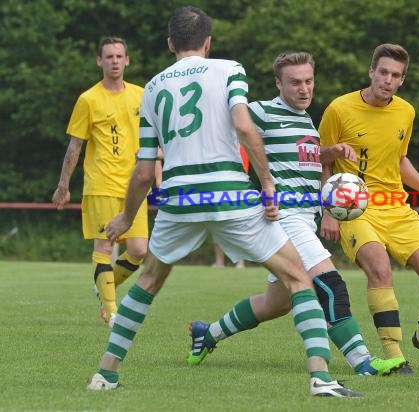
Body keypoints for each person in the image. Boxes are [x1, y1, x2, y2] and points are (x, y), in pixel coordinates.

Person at [86, 6, 359, 398]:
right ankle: (321, 378)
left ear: (169, 44)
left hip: (179, 199)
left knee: (147, 282)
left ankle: (106, 374)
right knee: (299, 278)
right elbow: (244, 127)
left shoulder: (152, 89)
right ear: (208, 42)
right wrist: (266, 182)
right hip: (229, 194)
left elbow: (145, 171)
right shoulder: (229, 69)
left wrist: (126, 217)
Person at [187, 51, 405, 377]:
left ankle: (208, 334)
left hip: (306, 219)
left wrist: (329, 152)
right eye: (295, 83)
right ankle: (363, 362)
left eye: (308, 81)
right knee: (330, 284)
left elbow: (303, 157)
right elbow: (221, 123)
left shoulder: (306, 120)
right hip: (285, 218)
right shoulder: (263, 111)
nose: (304, 89)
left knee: (277, 303)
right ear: (278, 83)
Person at [318, 43, 419, 373]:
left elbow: (399, 161)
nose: (388, 80)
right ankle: (394, 355)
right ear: (371, 72)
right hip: (354, 208)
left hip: (396, 208)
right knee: (380, 269)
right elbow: (321, 159)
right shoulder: (339, 109)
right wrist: (327, 210)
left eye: (395, 75)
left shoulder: (405, 112)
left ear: (402, 80)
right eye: (383, 72)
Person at [52, 36, 156, 327]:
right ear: (99, 61)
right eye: (108, 56)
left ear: (127, 60)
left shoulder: (141, 95)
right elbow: (75, 147)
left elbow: (153, 137)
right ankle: (111, 311)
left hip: (135, 185)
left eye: (119, 56)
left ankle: (104, 286)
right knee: (105, 247)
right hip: (101, 184)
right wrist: (63, 184)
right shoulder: (88, 99)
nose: (114, 61)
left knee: (138, 250)